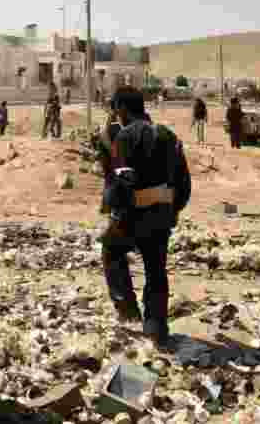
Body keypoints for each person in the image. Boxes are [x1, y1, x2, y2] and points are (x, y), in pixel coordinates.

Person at [99, 86, 191, 347]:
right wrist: (171, 211)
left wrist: (118, 211)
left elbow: (122, 179)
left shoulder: (126, 137)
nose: (116, 115)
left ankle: (128, 314)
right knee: (156, 269)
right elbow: (184, 184)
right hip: (162, 216)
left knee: (111, 250)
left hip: (132, 215)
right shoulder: (169, 136)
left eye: (116, 109)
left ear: (123, 109)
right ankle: (156, 328)